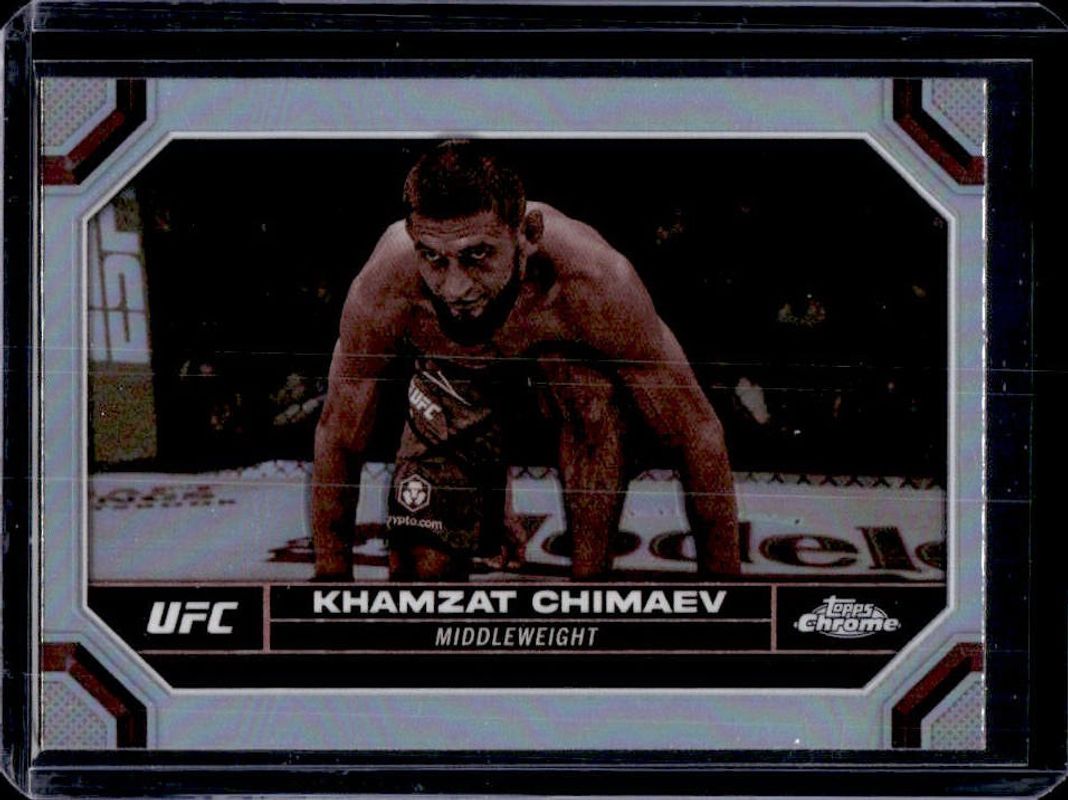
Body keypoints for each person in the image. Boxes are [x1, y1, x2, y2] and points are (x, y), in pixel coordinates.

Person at [313, 140, 738, 581]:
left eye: (477, 254)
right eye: (433, 257)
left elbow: (696, 432)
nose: (454, 287)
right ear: (412, 235)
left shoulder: (593, 279)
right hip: (455, 391)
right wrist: (329, 582)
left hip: (566, 406)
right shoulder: (387, 283)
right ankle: (483, 512)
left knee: (584, 384)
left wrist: (725, 591)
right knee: (422, 575)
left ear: (529, 235)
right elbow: (339, 432)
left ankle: (589, 585)